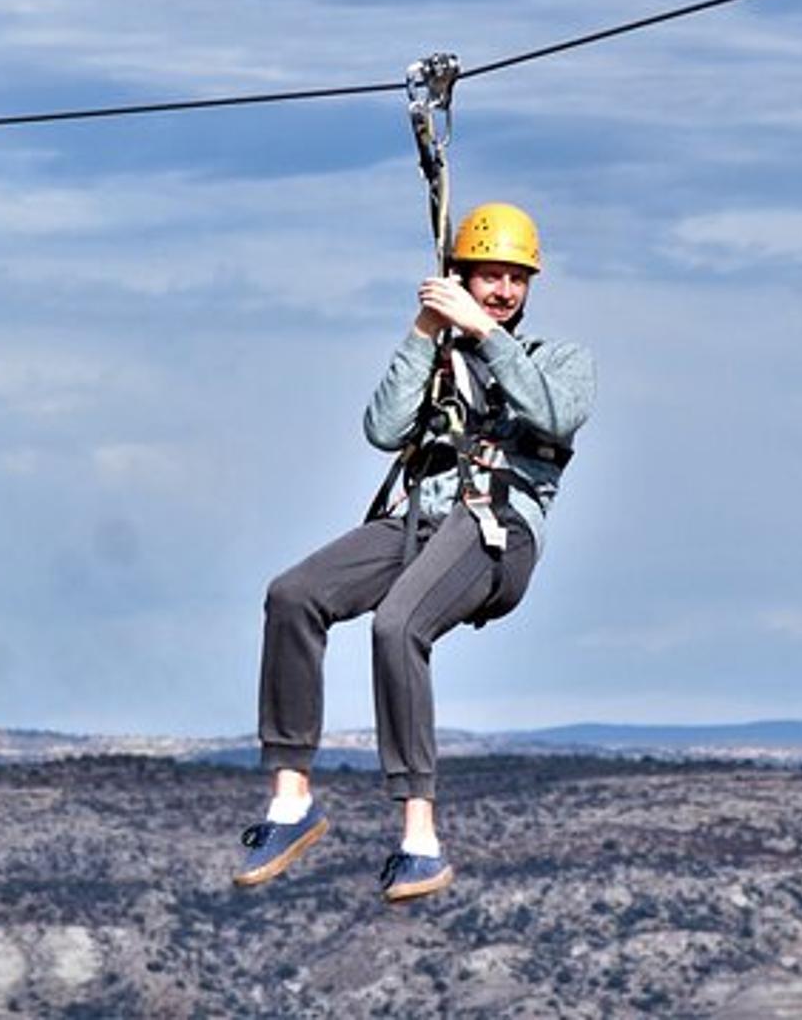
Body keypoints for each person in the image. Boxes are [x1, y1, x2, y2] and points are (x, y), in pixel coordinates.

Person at [233, 202, 595, 903]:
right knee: (292, 595)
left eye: (515, 279)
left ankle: (419, 835)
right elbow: (383, 428)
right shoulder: (441, 357)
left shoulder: (560, 360)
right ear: (460, 275)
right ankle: (290, 796)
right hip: (420, 521)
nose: (503, 290)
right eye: (489, 276)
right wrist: (426, 332)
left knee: (398, 624)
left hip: (496, 528)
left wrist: (482, 332)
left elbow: (553, 412)